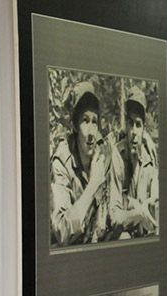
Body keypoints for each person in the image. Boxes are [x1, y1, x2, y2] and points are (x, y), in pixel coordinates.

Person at [50, 80, 112, 246]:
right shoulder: (62, 161)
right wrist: (92, 185)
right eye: (85, 120)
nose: (91, 132)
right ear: (75, 126)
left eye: (94, 121)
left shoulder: (100, 155)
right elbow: (62, 231)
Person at [110, 85, 159, 239]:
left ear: (143, 128)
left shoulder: (149, 161)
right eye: (130, 123)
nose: (133, 132)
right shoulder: (117, 156)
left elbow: (156, 208)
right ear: (125, 125)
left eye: (138, 124)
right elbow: (114, 217)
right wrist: (138, 212)